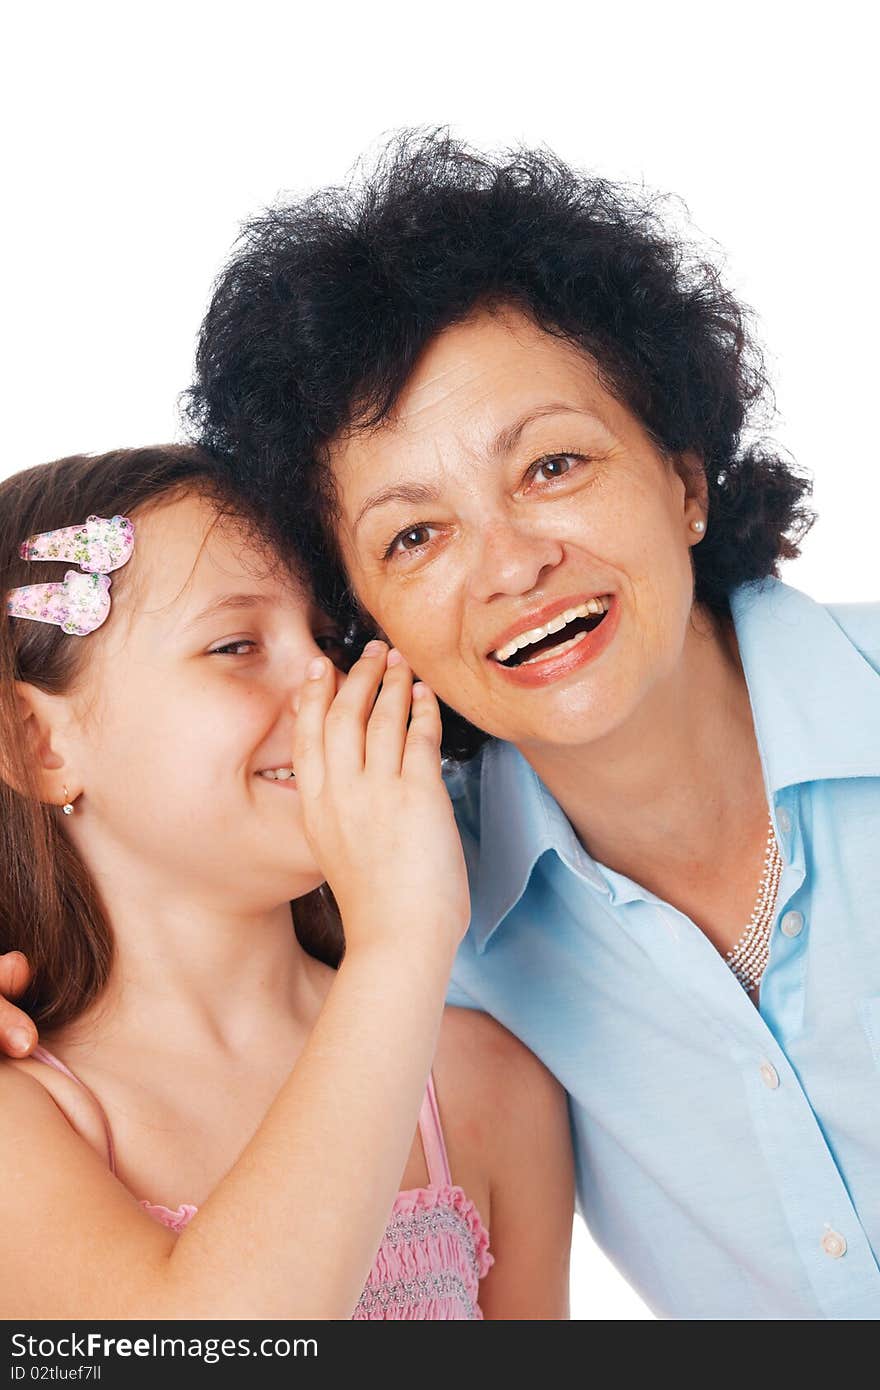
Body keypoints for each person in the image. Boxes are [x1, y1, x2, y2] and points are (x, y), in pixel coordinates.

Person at [169, 133, 880, 1318]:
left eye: (552, 464)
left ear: (685, 478)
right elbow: (152, 950)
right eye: (414, 535)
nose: (511, 563)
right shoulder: (404, 893)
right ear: (366, 620)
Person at [0, 443, 573, 1320]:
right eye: (235, 645)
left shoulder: (489, 1089)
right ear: (39, 744)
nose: (326, 685)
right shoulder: (25, 1119)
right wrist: (400, 938)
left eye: (332, 640)